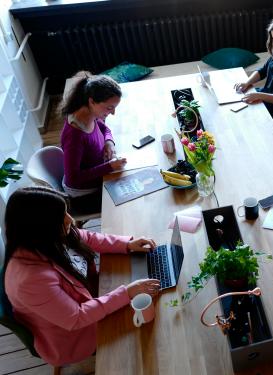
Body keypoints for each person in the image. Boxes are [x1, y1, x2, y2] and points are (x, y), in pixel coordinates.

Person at [3, 187, 160, 367]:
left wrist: (127, 244)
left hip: (93, 295)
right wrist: (127, 292)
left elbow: (87, 237)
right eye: (61, 216)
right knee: (148, 342)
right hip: (74, 335)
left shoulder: (47, 237)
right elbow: (76, 317)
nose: (70, 219)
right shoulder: (30, 280)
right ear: (40, 226)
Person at [60, 72, 127, 215]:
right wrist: (108, 167)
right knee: (128, 203)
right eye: (109, 108)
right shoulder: (74, 135)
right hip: (83, 194)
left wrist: (109, 142)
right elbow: (74, 177)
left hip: (97, 172)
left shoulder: (90, 113)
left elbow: (103, 127)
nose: (113, 113)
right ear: (92, 101)